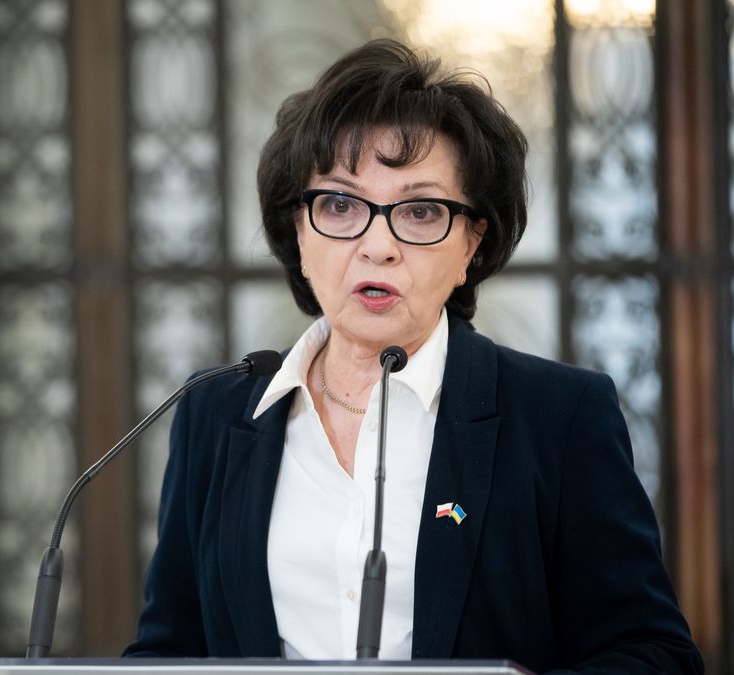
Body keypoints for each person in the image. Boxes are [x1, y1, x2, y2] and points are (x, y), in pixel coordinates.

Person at [124, 39, 703, 674]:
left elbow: (655, 655)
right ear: (297, 229)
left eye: (422, 211)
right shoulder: (214, 414)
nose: (378, 246)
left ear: (472, 245)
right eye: (340, 205)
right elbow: (168, 651)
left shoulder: (559, 417)